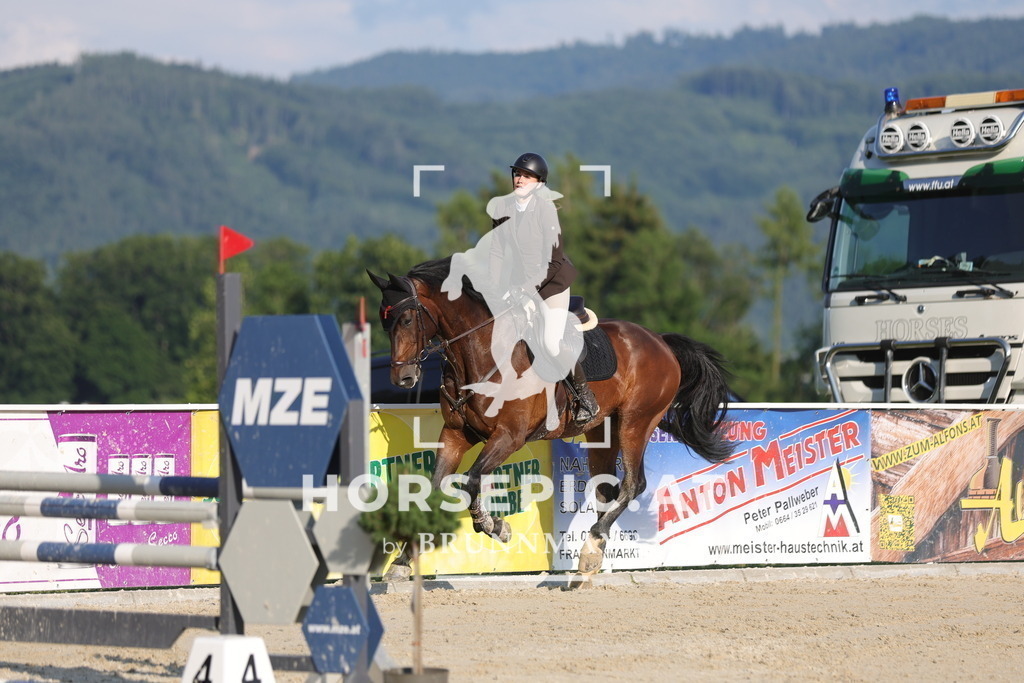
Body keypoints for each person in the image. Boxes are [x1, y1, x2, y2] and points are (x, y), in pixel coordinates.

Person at [444, 152, 598, 425]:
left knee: (550, 341)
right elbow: (498, 253)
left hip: (552, 284)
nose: (519, 178)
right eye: (517, 173)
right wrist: (491, 285)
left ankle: (585, 396)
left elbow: (554, 261)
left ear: (539, 182)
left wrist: (526, 288)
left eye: (526, 175)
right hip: (518, 286)